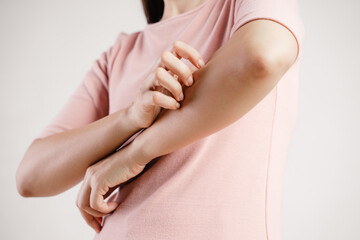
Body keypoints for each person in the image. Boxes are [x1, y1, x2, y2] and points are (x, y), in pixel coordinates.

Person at [16, 0, 305, 239]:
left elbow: (261, 57)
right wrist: (129, 117)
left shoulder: (245, 8)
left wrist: (132, 155)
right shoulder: (118, 55)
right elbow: (30, 175)